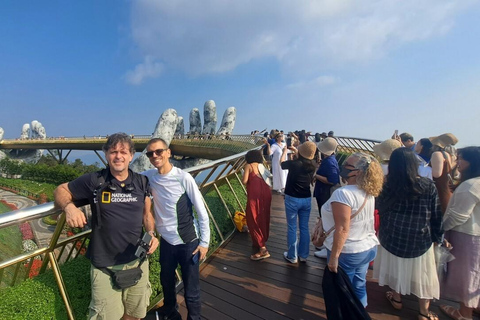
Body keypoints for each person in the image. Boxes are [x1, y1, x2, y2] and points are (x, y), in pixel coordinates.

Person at [53, 133, 159, 320]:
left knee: (134, 315)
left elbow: (147, 214)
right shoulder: (95, 181)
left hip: (138, 261)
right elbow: (61, 189)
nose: (118, 156)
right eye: (113, 152)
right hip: (105, 266)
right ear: (106, 154)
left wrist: (151, 233)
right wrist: (69, 208)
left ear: (131, 155)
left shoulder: (142, 182)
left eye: (123, 152)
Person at [142, 138, 210, 320]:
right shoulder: (149, 176)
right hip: (166, 241)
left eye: (159, 151)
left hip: (188, 242)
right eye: (150, 153)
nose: (155, 156)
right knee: (166, 281)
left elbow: (201, 211)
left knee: (191, 288)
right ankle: (170, 312)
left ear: (168, 152)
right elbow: (127, 177)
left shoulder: (183, 178)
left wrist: (204, 243)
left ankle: (194, 317)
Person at [374, 148, 443, 320]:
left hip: (392, 236)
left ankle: (396, 298)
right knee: (424, 275)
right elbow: (436, 215)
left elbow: (379, 209)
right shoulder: (428, 186)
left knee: (396, 267)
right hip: (420, 239)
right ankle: (423, 312)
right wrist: (438, 238)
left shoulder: (385, 185)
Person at [322, 152, 383, 307]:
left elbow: (342, 229)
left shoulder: (343, 193)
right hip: (366, 247)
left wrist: (334, 257)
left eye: (347, 165)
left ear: (357, 172)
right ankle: (359, 313)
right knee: (359, 286)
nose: (343, 167)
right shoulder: (368, 190)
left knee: (342, 291)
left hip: (347, 251)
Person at [440, 146, 480, 320]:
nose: (458, 162)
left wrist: (441, 229)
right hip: (475, 234)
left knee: (467, 276)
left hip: (467, 236)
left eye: (461, 158)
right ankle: (474, 306)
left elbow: (458, 216)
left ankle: (464, 314)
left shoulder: (470, 185)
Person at [281, 141, 317, 263]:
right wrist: (299, 154)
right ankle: (303, 255)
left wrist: (285, 151)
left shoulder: (294, 164)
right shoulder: (313, 165)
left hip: (292, 198)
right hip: (306, 199)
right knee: (304, 227)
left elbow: (281, 164)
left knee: (292, 227)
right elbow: (304, 162)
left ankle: (292, 256)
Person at [242, 149, 272, 260]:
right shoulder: (261, 165)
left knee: (253, 218)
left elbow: (245, 181)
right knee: (263, 217)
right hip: (266, 192)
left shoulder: (248, 166)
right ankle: (259, 241)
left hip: (255, 195)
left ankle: (263, 249)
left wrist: (242, 175)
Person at [429, 133, 458, 214]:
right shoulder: (450, 156)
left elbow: (436, 174)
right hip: (447, 191)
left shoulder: (437, 154)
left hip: (439, 192)